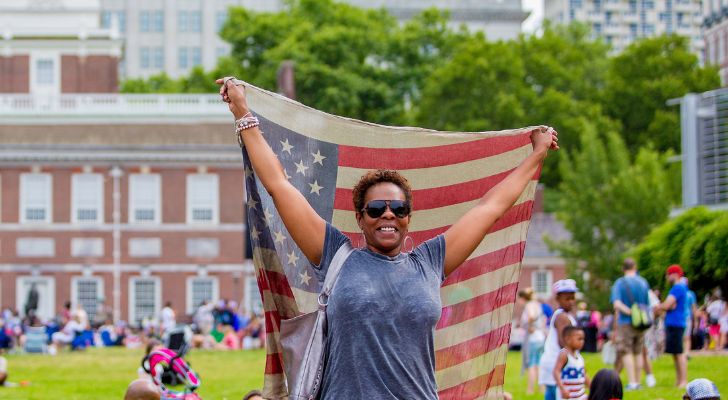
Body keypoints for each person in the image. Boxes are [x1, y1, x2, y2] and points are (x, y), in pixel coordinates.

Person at [217, 77, 559, 399]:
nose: (388, 214)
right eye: (376, 207)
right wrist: (243, 115)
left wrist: (537, 155)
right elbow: (279, 186)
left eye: (398, 207)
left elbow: (491, 208)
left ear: (409, 217)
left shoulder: (430, 261)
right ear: (360, 218)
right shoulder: (336, 255)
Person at [609, 258, 652, 390]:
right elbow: (647, 303)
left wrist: (630, 312)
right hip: (641, 323)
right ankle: (638, 382)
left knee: (626, 351)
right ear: (635, 267)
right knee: (638, 351)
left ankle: (632, 382)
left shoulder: (620, 283)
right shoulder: (643, 282)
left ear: (623, 268)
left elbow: (617, 303)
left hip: (625, 321)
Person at [539, 279, 578, 400]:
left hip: (556, 362)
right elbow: (562, 341)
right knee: (554, 394)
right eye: (567, 299)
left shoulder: (565, 315)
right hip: (555, 362)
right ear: (558, 299)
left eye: (573, 298)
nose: (571, 302)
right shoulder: (561, 317)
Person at [653, 264, 689, 388]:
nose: (667, 277)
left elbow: (668, 305)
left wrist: (658, 306)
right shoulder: (680, 287)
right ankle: (679, 380)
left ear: (675, 274)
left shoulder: (677, 288)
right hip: (674, 322)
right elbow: (670, 305)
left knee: (679, 353)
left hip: (676, 323)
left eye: (668, 274)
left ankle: (683, 381)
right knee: (675, 353)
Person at [519, 287, 547, 395]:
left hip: (533, 338)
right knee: (539, 364)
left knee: (531, 364)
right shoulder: (537, 304)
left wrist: (530, 325)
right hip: (540, 337)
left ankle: (530, 389)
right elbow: (543, 319)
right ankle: (542, 388)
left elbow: (531, 316)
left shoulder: (529, 305)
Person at [553, 326, 589, 400]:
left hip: (579, 395)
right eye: (579, 339)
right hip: (568, 395)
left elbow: (584, 373)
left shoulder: (579, 357)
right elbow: (556, 372)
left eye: (583, 339)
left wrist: (592, 386)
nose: (582, 342)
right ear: (568, 339)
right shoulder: (564, 355)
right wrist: (562, 388)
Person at [682, 278, 698, 357]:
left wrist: (696, 320)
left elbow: (694, 308)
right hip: (687, 317)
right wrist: (696, 320)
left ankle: (685, 353)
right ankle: (686, 352)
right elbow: (694, 308)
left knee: (685, 336)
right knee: (687, 336)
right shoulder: (690, 294)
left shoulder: (687, 293)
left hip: (684, 317)